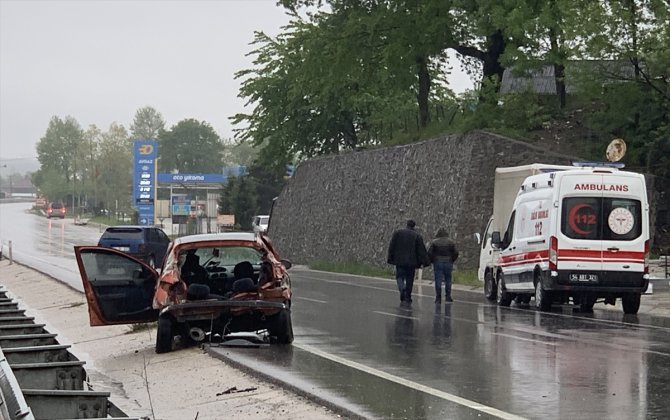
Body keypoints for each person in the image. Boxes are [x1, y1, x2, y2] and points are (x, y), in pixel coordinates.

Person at [387, 220, 429, 303]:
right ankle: (408, 296)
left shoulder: (398, 233)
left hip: (399, 261)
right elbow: (421, 251)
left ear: (406, 225)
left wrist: (390, 258)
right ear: (414, 226)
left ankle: (402, 289)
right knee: (410, 279)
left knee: (399, 277)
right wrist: (425, 262)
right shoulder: (417, 236)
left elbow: (392, 246)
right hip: (412, 262)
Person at [428, 228, 459, 303]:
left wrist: (432, 260)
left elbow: (429, 253)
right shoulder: (451, 242)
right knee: (448, 279)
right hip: (448, 262)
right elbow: (456, 252)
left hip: (438, 262)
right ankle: (448, 296)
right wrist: (452, 260)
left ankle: (438, 298)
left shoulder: (434, 242)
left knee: (438, 279)